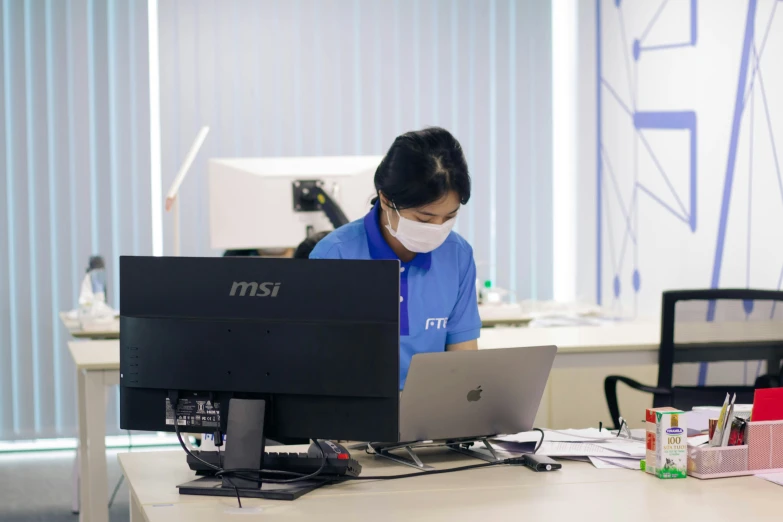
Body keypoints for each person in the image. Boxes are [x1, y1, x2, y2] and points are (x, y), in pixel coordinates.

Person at [310, 127, 480, 390]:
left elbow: (464, 359)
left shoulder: (457, 256)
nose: (438, 228)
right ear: (386, 199)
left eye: (449, 217)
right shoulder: (335, 255)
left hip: (433, 419)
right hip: (355, 419)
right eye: (424, 218)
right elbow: (317, 364)